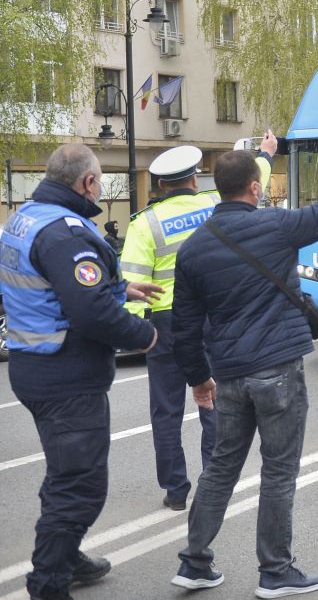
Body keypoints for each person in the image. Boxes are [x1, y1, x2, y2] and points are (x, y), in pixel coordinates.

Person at [168, 126, 318, 597]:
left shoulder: (194, 248)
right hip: (277, 368)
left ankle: (194, 563)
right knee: (278, 471)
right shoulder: (277, 225)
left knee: (220, 468)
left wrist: (198, 379)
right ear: (255, 188)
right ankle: (275, 571)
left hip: (228, 374)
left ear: (217, 188)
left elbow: (184, 327)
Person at [0, 143, 161, 600]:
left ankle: (66, 556)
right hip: (66, 376)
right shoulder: (65, 233)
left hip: (36, 365)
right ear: (88, 183)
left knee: (63, 473)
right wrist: (145, 338)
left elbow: (54, 280)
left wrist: (121, 286)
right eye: (100, 182)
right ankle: (48, 583)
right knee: (80, 487)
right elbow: (91, 313)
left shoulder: (28, 215)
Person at [120, 139, 276, 511]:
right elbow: (256, 177)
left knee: (166, 410)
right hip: (213, 316)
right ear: (195, 179)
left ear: (160, 185)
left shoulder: (146, 224)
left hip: (165, 323)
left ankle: (175, 491)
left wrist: (135, 333)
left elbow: (130, 284)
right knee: (214, 400)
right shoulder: (214, 205)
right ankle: (213, 482)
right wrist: (266, 153)